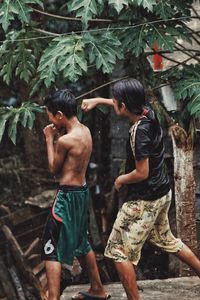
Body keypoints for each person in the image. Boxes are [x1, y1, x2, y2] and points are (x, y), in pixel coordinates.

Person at [81, 78, 200, 300]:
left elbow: (141, 172)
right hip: (162, 193)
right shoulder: (147, 112)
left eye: (115, 102)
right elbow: (121, 102)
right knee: (168, 240)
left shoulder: (140, 133)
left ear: (124, 107)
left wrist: (121, 180)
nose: (114, 103)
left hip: (145, 200)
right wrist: (98, 99)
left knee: (117, 251)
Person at [42, 89, 111, 300]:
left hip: (67, 196)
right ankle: (98, 288)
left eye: (50, 114)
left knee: (50, 244)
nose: (50, 119)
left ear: (60, 115)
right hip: (81, 193)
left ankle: (52, 297)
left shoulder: (65, 141)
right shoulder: (85, 131)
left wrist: (49, 138)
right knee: (81, 241)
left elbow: (54, 168)